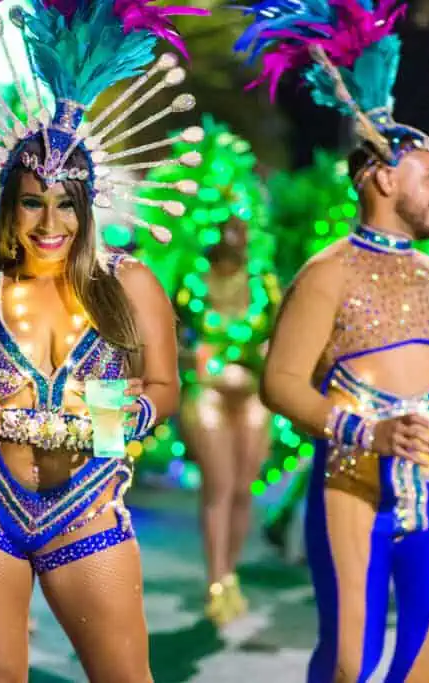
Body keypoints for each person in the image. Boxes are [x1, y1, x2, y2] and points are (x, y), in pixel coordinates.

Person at [0, 1, 205, 679]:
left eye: (66, 202)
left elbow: (164, 387)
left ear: (88, 205)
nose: (50, 221)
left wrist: (107, 424)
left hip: (87, 505)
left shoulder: (130, 283)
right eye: (33, 201)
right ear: (11, 205)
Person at [235, 1, 429, 678]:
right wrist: (369, 432)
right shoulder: (324, 275)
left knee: (427, 661)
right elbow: (280, 383)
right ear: (386, 177)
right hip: (350, 482)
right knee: (347, 663)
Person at [178, 219, 277, 626]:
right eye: (226, 233)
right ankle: (215, 579)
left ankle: (230, 572)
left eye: (241, 234)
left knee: (241, 489)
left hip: (252, 395)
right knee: (218, 486)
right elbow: (168, 339)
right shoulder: (192, 285)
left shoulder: (264, 287)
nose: (234, 242)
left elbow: (283, 337)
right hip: (209, 393)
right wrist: (194, 357)